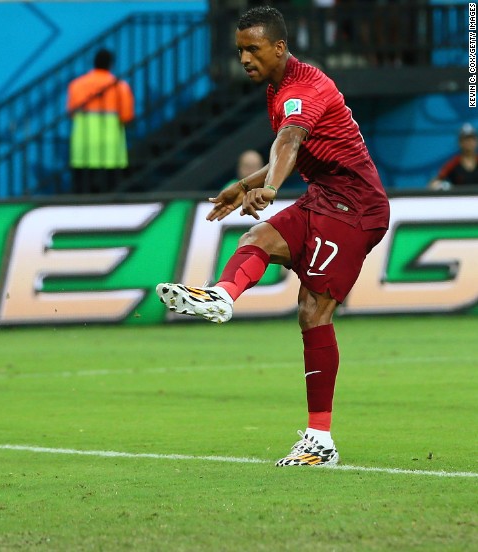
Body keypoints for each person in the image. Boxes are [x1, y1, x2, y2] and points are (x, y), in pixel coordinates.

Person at [155, 6, 390, 467]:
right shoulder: (279, 86)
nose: (244, 58)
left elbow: (289, 142)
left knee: (312, 310)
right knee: (257, 238)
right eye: (240, 50)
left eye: (253, 49)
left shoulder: (303, 88)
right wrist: (245, 186)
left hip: (355, 209)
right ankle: (222, 296)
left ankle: (320, 440)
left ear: (279, 48)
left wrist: (268, 187)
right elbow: (294, 146)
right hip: (325, 198)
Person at [66, 48, 135, 195]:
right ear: (111, 64)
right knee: (111, 183)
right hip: (110, 140)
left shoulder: (77, 84)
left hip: (83, 139)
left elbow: (71, 112)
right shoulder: (119, 86)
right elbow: (127, 115)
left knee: (82, 183)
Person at [428, 122, 478, 190]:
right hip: (459, 199)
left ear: (476, 141)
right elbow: (433, 184)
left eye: (471, 139)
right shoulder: (453, 163)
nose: (469, 142)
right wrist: (441, 185)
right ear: (459, 142)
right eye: (465, 139)